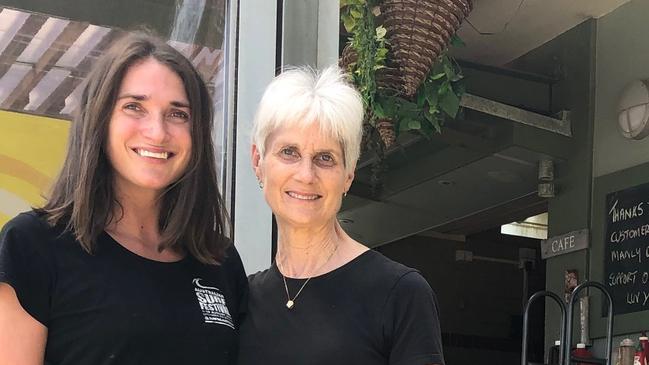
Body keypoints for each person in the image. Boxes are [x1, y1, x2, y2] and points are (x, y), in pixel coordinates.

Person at [0, 33, 247, 365]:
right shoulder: (32, 246)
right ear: (99, 120)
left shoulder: (219, 260)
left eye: (178, 114)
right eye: (134, 107)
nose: (157, 131)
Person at [238, 66, 444, 365]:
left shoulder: (399, 293)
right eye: (289, 152)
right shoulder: (242, 299)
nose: (306, 175)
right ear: (258, 161)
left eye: (325, 158)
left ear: (348, 174)